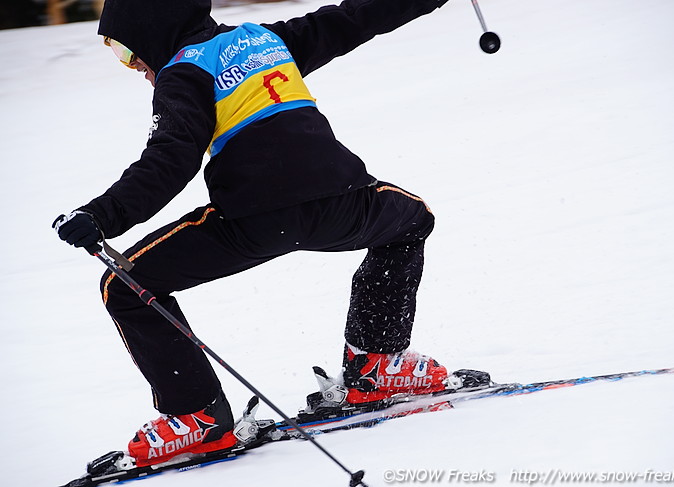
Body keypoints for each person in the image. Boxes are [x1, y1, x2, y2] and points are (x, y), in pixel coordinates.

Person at [53, 0, 452, 467]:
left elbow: (169, 162)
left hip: (255, 223)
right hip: (341, 203)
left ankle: (196, 417)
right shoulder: (268, 40)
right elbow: (357, 17)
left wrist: (100, 216)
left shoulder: (183, 73)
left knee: (125, 286)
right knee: (410, 221)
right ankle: (377, 363)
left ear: (152, 27)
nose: (134, 65)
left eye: (128, 51)